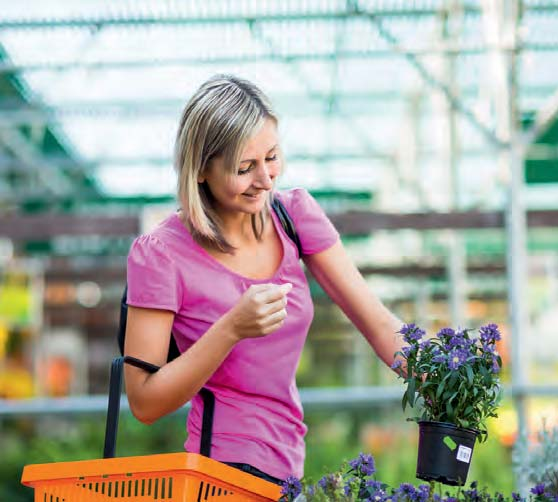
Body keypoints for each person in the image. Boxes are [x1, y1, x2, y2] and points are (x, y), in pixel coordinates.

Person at [124, 74, 404, 485]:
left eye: (272, 157)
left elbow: (379, 324)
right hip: (220, 473)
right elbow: (144, 401)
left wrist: (446, 375)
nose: (266, 179)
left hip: (288, 463)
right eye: (244, 167)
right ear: (201, 169)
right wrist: (232, 328)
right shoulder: (161, 254)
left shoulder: (294, 218)